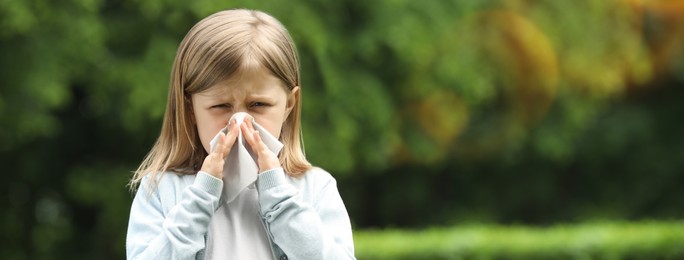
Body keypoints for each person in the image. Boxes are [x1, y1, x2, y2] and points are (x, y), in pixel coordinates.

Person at [125, 9, 356, 260]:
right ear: (190, 108)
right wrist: (201, 197)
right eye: (221, 106)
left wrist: (279, 197)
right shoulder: (160, 189)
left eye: (258, 105)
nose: (239, 122)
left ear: (289, 104)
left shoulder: (314, 188)